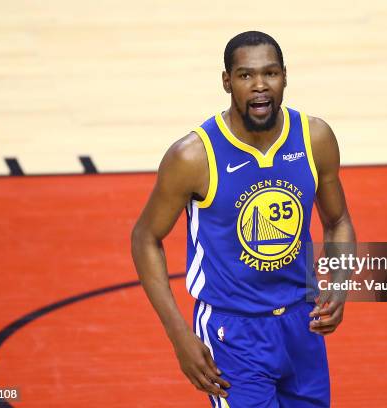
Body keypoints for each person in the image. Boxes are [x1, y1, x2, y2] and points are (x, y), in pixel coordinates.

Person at [131, 31, 355, 408]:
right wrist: (179, 335)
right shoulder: (193, 156)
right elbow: (145, 238)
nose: (260, 86)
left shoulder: (315, 138)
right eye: (246, 76)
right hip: (233, 332)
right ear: (226, 81)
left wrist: (341, 282)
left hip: (303, 323)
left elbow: (338, 220)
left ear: (285, 76)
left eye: (270, 73)